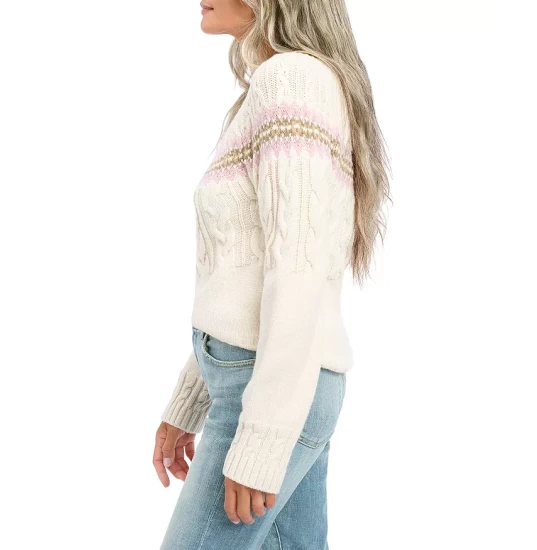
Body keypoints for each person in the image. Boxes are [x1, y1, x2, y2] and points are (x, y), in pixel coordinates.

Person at [154, 1, 389, 548]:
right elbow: (246, 280)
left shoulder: (293, 79)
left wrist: (263, 437)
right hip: (273, 384)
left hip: (268, 393)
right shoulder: (284, 83)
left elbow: (296, 269)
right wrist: (191, 399)